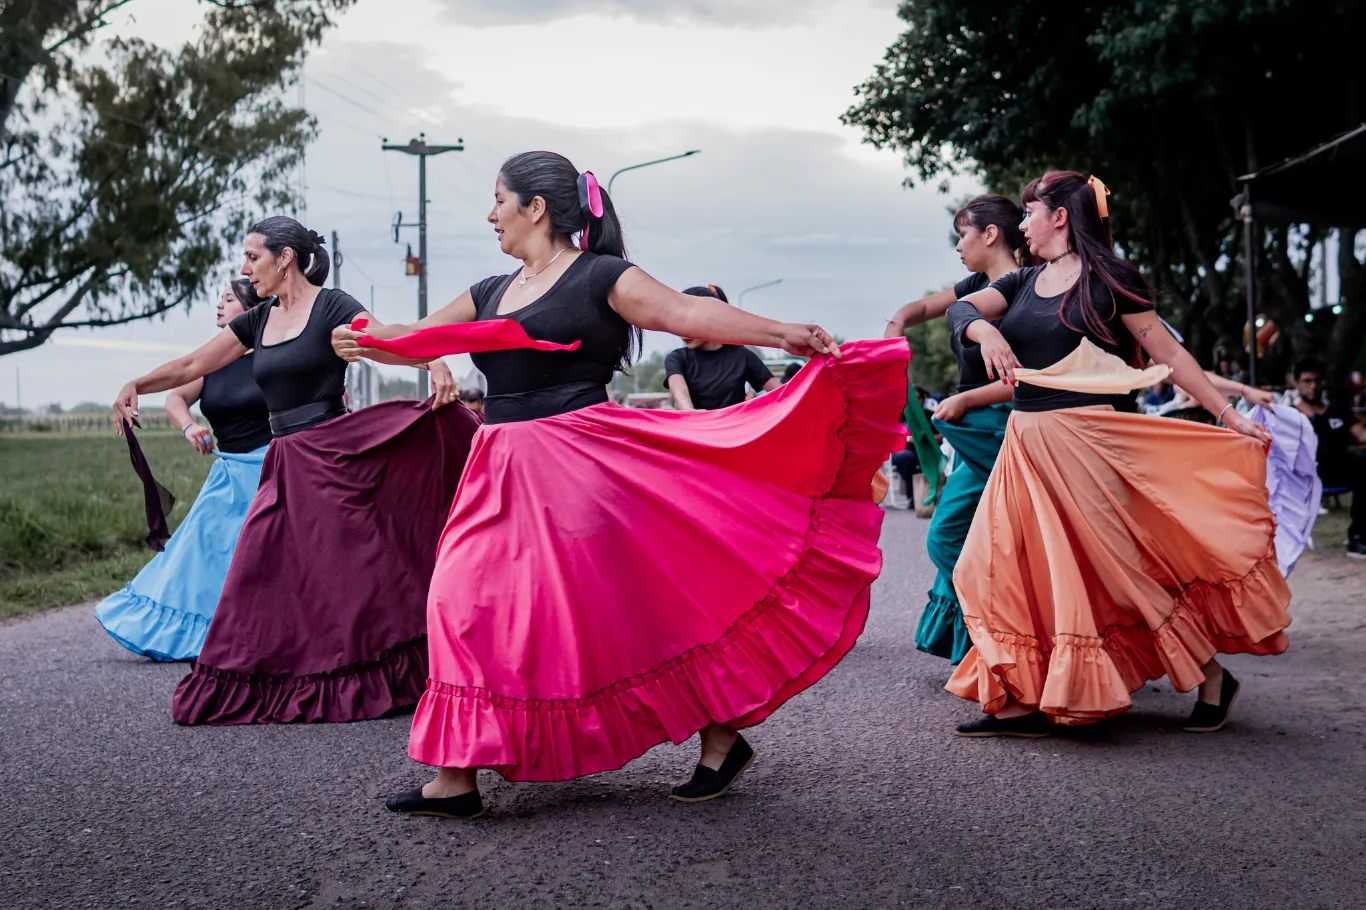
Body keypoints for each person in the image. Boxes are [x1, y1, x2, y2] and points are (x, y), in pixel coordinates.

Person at [330, 151, 908, 818]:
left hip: (582, 465)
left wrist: (782, 333)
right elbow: (417, 335)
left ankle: (720, 735)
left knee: (631, 610)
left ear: (535, 208)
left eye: (498, 199)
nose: (490, 214)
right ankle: (455, 771)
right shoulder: (489, 289)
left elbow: (686, 317)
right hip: (498, 466)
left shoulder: (601, 276)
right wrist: (360, 338)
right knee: (459, 600)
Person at [944, 170, 1290, 736]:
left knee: (1117, 574)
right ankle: (1031, 695)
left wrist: (1227, 415)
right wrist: (986, 333)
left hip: (1086, 445)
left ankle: (1211, 677)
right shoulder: (1022, 283)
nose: (1022, 223)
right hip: (1025, 443)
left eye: (1030, 212)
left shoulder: (1110, 280)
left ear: (1059, 217)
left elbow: (1168, 352)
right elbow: (962, 311)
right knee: (996, 564)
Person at [112, 217, 481, 724]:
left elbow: (381, 338)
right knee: (258, 570)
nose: (245, 268)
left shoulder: (332, 306)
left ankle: (384, 673)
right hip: (283, 460)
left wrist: (432, 361)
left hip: (336, 457)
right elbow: (193, 364)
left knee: (360, 576)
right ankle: (259, 671)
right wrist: (138, 382)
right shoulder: (257, 320)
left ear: (284, 258)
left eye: (252, 257)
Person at [885, 194, 1029, 664]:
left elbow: (1025, 378)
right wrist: (897, 322)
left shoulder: (1025, 290)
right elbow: (928, 307)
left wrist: (965, 398)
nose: (958, 246)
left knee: (950, 535)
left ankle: (1015, 627)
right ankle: (994, 637)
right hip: (973, 430)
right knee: (969, 535)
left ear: (990, 234)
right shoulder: (974, 284)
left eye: (963, 234)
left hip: (1006, 429)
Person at [95, 279, 272, 661]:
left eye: (229, 298)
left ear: (252, 309)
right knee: (198, 555)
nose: (219, 304)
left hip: (272, 469)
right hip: (229, 472)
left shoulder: (274, 355)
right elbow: (175, 396)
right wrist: (189, 425)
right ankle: (208, 635)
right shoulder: (213, 361)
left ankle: (263, 633)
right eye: (220, 298)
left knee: (261, 558)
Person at [663, 286, 781, 410]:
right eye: (679, 323)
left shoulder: (742, 357)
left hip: (735, 427)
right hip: (695, 426)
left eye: (691, 322)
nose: (683, 332)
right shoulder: (677, 359)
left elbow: (783, 392)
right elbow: (681, 397)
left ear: (714, 319)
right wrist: (692, 414)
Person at [1293, 357, 1366, 556]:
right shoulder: (1290, 416)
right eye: (1307, 381)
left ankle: (1358, 536)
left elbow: (1362, 435)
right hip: (1307, 475)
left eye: (1317, 381)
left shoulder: (1338, 411)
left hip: (1342, 470)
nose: (1313, 386)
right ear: (1297, 384)